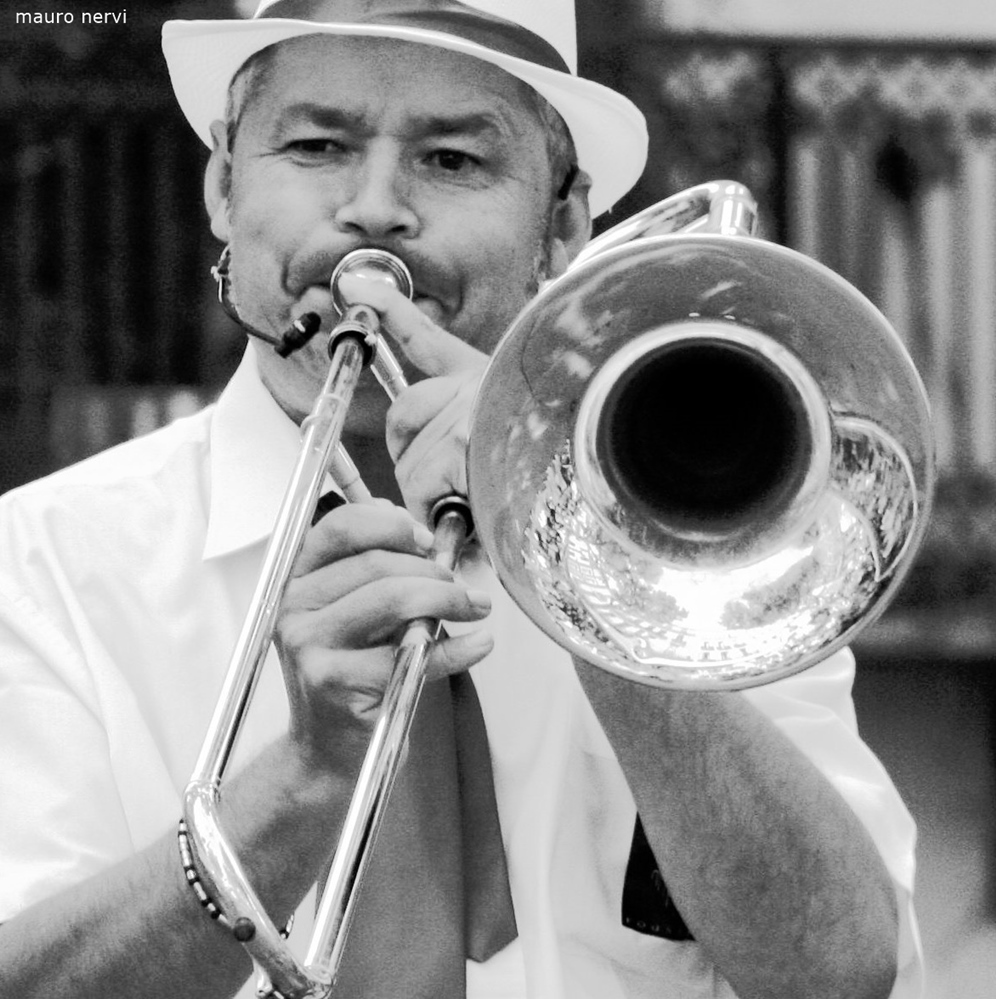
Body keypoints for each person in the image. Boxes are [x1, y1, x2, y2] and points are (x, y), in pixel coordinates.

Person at [0, 2, 923, 998]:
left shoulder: (703, 546)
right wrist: (306, 777)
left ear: (563, 224)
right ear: (225, 184)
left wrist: (590, 577)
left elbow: (844, 973)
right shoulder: (46, 557)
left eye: (452, 160)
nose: (376, 207)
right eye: (317, 145)